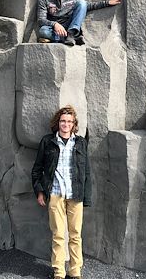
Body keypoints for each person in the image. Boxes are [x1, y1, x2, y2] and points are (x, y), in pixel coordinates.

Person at [31, 105, 91, 279]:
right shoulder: (47, 142)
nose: (66, 124)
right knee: (58, 234)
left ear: (74, 124)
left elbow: (87, 172)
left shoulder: (80, 142)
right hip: (55, 193)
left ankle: (75, 270)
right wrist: (40, 191)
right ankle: (59, 270)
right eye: (63, 121)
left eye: (69, 121)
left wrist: (87, 196)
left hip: (75, 194)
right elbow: (37, 169)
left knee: (75, 234)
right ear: (58, 123)